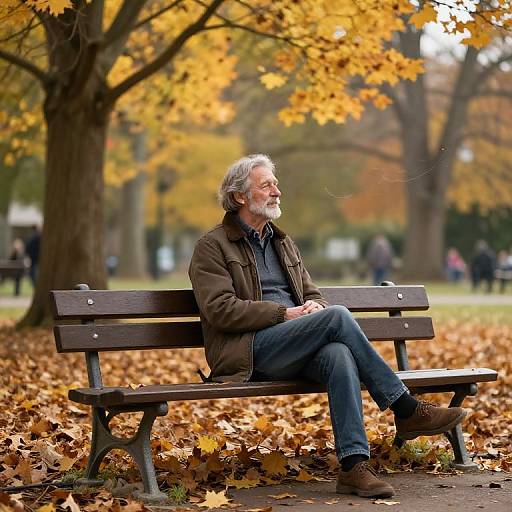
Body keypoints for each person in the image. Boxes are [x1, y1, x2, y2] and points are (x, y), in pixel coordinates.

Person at [189, 155, 466, 499]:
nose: (277, 191)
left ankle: (353, 467)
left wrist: (313, 305)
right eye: (267, 185)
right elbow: (219, 310)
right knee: (337, 317)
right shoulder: (212, 246)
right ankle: (405, 408)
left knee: (338, 354)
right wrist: (283, 314)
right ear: (240, 197)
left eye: (275, 184)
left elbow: (310, 291)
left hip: (294, 344)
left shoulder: (282, 241)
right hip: (248, 351)